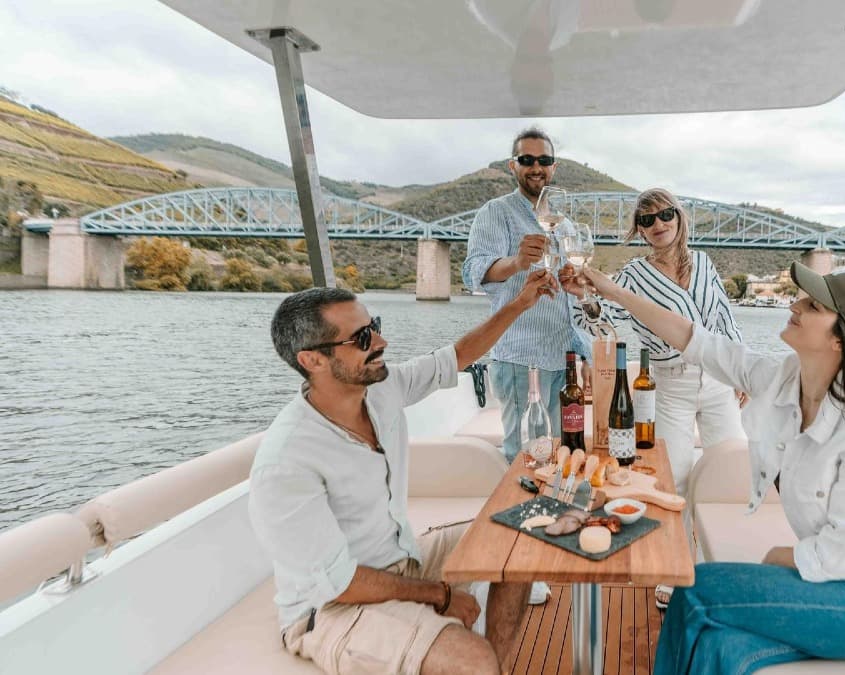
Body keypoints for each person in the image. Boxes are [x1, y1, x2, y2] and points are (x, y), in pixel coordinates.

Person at [578, 262, 845, 674]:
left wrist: (779, 556)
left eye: (814, 306)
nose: (796, 305)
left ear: (840, 341)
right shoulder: (788, 380)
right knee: (719, 646)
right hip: (843, 583)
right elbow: (699, 342)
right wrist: (612, 291)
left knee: (696, 590)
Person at [250, 269, 555, 675]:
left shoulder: (380, 389)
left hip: (401, 562)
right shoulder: (287, 462)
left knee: (519, 534)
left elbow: (457, 356)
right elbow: (340, 582)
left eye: (373, 327)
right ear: (313, 360)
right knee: (471, 659)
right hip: (331, 608)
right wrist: (441, 596)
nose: (380, 342)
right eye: (361, 339)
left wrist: (520, 304)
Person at [560, 187, 747, 607]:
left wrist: (740, 372)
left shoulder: (704, 264)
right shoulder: (631, 276)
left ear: (679, 218)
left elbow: (724, 318)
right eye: (646, 220)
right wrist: (584, 298)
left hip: (718, 379)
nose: (658, 225)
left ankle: (722, 565)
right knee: (673, 476)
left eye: (664, 215)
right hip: (671, 382)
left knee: (730, 470)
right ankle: (677, 568)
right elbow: (600, 322)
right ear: (639, 231)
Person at [462, 126, 592, 467]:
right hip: (521, 358)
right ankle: (515, 518)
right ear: (512, 166)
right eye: (527, 159)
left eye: (544, 160)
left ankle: (552, 518)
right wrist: (517, 262)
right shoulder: (496, 212)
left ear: (554, 167)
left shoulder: (564, 226)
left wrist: (587, 353)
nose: (537, 167)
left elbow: (569, 301)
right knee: (525, 460)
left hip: (562, 361)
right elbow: (474, 271)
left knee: (561, 453)